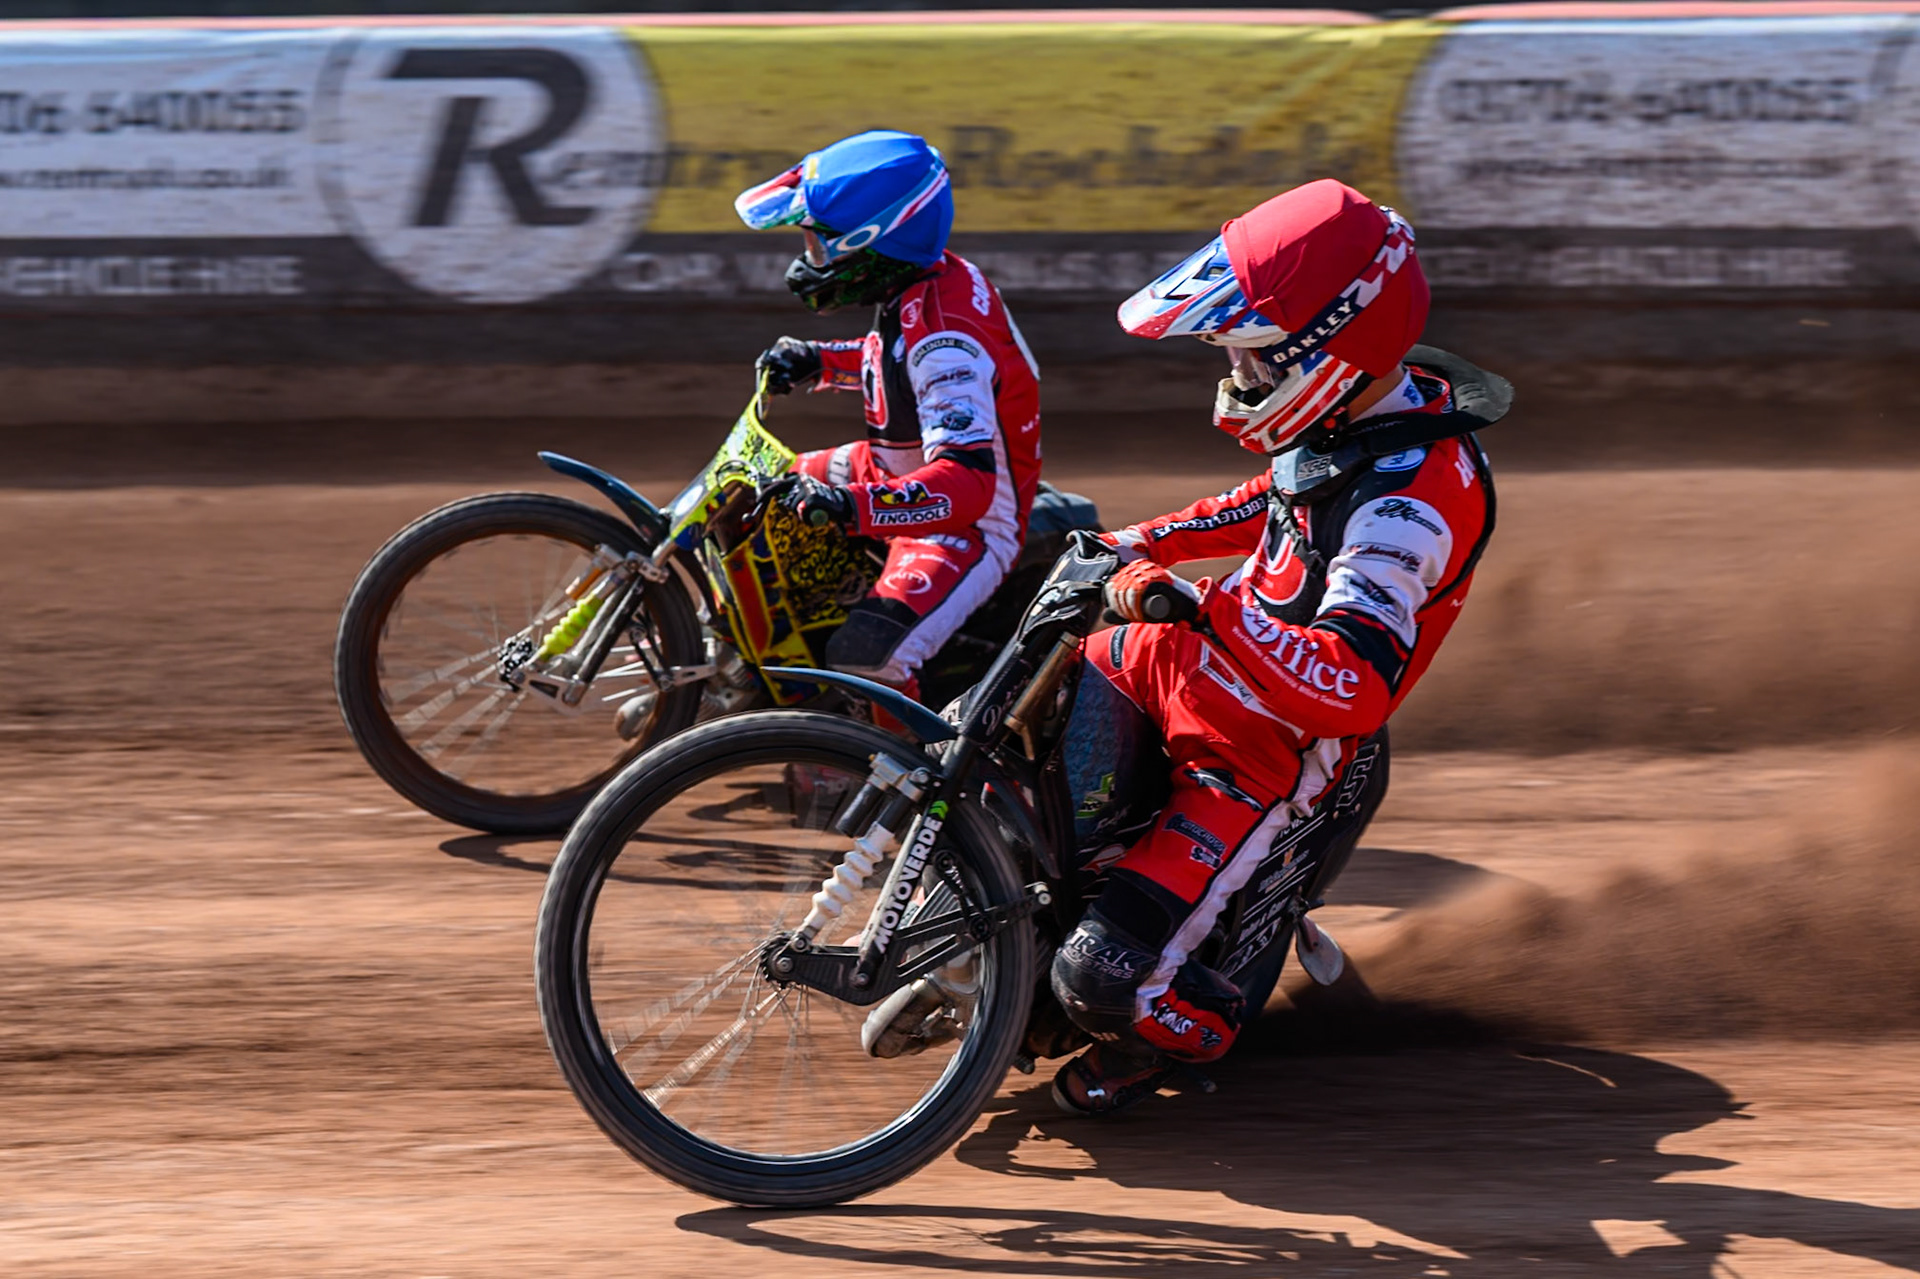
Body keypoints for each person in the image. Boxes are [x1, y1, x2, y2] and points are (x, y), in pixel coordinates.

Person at [1046, 178, 1506, 1114]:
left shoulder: (1409, 502)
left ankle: (1182, 1033)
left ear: (1332, 348)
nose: (1237, 379)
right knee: (1013, 768)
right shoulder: (1353, 414)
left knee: (1096, 977)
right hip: (1179, 663)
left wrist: (1209, 608)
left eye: (1252, 359)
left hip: (1270, 752)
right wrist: (1135, 544)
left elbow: (1352, 687)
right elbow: (1263, 504)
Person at [734, 130, 1042, 699]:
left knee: (862, 661)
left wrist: (852, 508)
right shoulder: (928, 284)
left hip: (964, 524)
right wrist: (818, 362)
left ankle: (915, 785)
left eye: (821, 247)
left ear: (877, 242)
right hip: (891, 469)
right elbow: (897, 367)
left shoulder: (946, 340)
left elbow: (968, 486)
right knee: (744, 497)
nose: (809, 264)